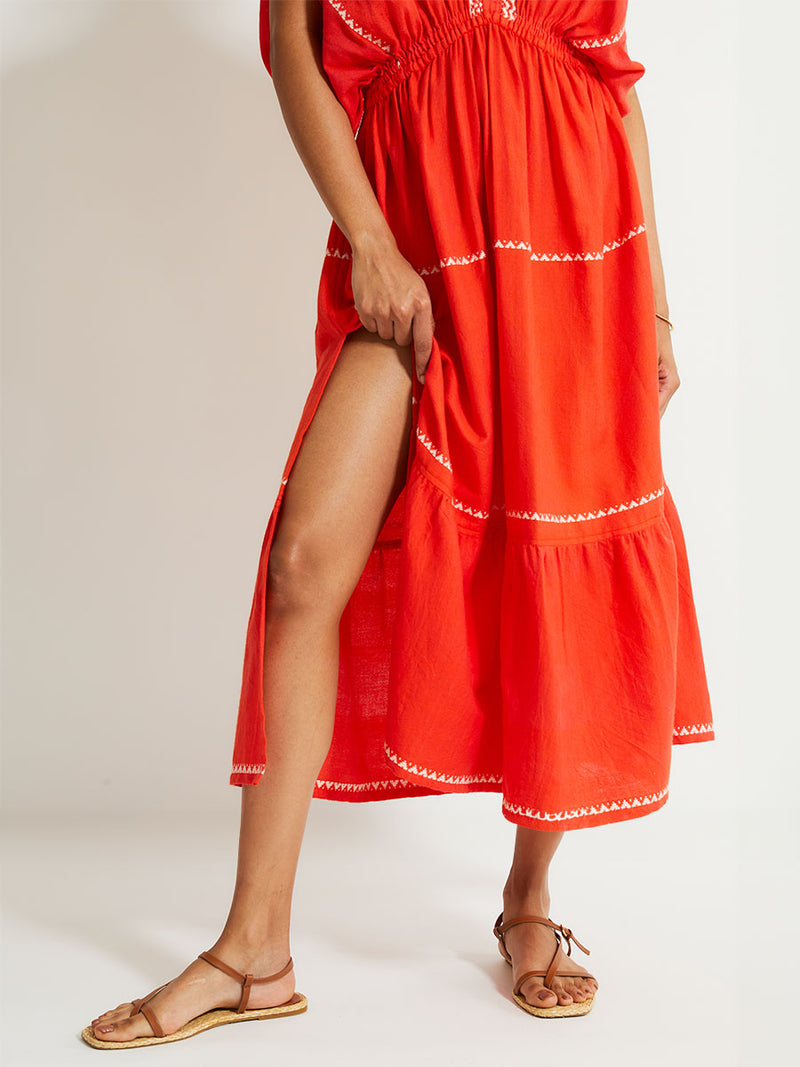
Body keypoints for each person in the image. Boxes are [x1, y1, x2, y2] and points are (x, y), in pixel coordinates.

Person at [83, 0, 715, 1046]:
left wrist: (650, 299)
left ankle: (526, 900)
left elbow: (609, 80)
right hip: (411, 248)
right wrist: (370, 241)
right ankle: (253, 951)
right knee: (303, 563)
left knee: (544, 557)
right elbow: (296, 51)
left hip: (567, 248)